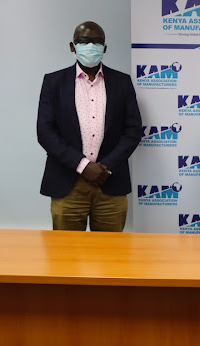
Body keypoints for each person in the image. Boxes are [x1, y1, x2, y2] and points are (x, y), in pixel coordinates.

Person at [37, 21, 142, 231]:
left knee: (111, 257)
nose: (90, 46)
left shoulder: (122, 82)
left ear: (105, 48)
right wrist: (83, 165)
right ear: (72, 46)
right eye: (84, 41)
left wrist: (105, 168)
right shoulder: (54, 82)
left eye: (96, 41)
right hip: (67, 183)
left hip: (110, 183)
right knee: (65, 256)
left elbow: (133, 131)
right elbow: (45, 132)